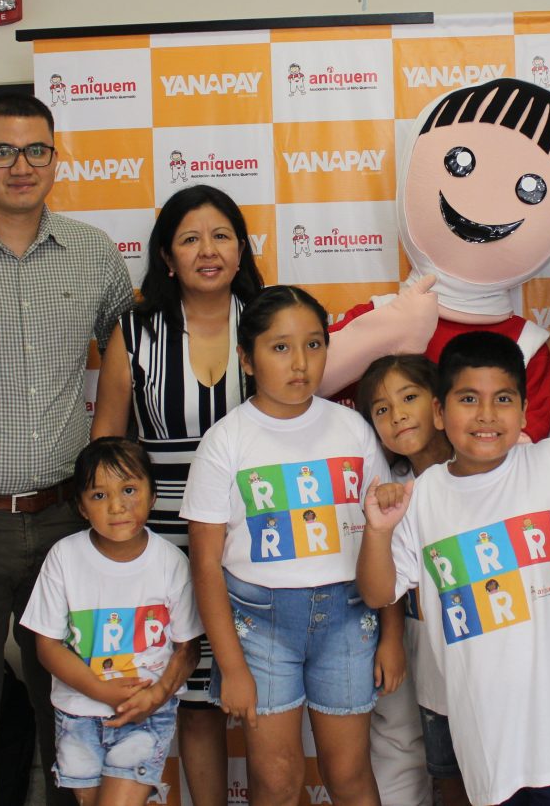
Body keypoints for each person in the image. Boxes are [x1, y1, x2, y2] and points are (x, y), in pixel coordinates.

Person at [357, 332, 550, 806]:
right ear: (440, 412)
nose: (486, 415)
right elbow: (378, 592)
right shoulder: (423, 498)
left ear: (524, 412)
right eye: (468, 399)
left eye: (502, 399)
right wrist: (378, 532)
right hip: (487, 752)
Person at [0, 93, 135, 806]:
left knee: (70, 707)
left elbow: (130, 356)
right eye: (3, 151)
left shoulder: (93, 251)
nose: (21, 166)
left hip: (64, 521)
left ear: (55, 157)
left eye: (36, 150)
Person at [179, 286, 401, 806]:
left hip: (349, 617)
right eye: (280, 347)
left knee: (348, 774)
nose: (300, 363)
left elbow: (385, 536)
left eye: (314, 344)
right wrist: (232, 666)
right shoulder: (225, 441)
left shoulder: (352, 428)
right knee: (276, 781)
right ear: (246, 358)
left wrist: (392, 635)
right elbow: (205, 565)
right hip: (261, 627)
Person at [93, 184, 265, 806]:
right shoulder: (135, 330)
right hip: (163, 538)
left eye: (221, 236)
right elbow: (106, 447)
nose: (208, 251)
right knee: (193, 699)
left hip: (258, 532)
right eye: (190, 239)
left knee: (267, 692)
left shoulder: (271, 321)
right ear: (166, 257)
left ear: (242, 249)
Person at [324, 80, 550, 442]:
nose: (485, 201)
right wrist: (382, 334)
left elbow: (524, 454)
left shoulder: (526, 346)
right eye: (460, 163)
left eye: (531, 189)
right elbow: (297, 392)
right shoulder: (375, 316)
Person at [20, 438, 203, 806]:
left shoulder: (170, 562)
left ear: (153, 495)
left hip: (144, 714)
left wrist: (157, 695)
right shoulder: (64, 557)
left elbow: (188, 648)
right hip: (77, 715)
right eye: (99, 495)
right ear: (81, 507)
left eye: (129, 490)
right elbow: (47, 646)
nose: (117, 506)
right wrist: (100, 690)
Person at [356, 355, 462, 806]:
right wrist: (391, 639)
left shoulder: (478, 465)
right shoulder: (390, 486)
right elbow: (386, 582)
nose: (397, 415)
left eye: (409, 398)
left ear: (438, 405)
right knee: (417, 746)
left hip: (477, 639)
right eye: (382, 410)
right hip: (416, 635)